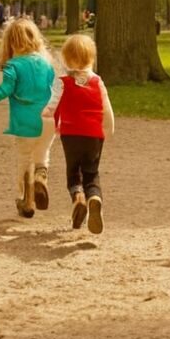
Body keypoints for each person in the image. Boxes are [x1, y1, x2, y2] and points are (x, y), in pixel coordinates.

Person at [0, 18, 56, 219]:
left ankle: (25, 200)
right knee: (42, 153)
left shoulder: (13, 66)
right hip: (49, 120)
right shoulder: (47, 64)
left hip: (25, 122)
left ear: (10, 42)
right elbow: (55, 89)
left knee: (24, 159)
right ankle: (41, 176)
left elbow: (5, 90)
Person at [43, 33, 114, 234]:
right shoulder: (97, 81)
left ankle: (78, 198)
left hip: (70, 134)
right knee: (91, 173)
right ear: (91, 58)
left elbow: (52, 106)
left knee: (73, 172)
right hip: (94, 135)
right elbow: (106, 107)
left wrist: (50, 119)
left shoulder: (62, 82)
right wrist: (108, 128)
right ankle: (94, 198)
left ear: (66, 59)